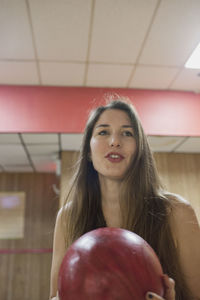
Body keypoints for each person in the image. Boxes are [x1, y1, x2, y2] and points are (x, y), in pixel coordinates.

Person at [50, 98, 200, 300]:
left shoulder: (177, 212)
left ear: (139, 149)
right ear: (88, 151)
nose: (115, 141)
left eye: (127, 133)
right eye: (103, 132)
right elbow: (55, 296)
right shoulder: (68, 216)